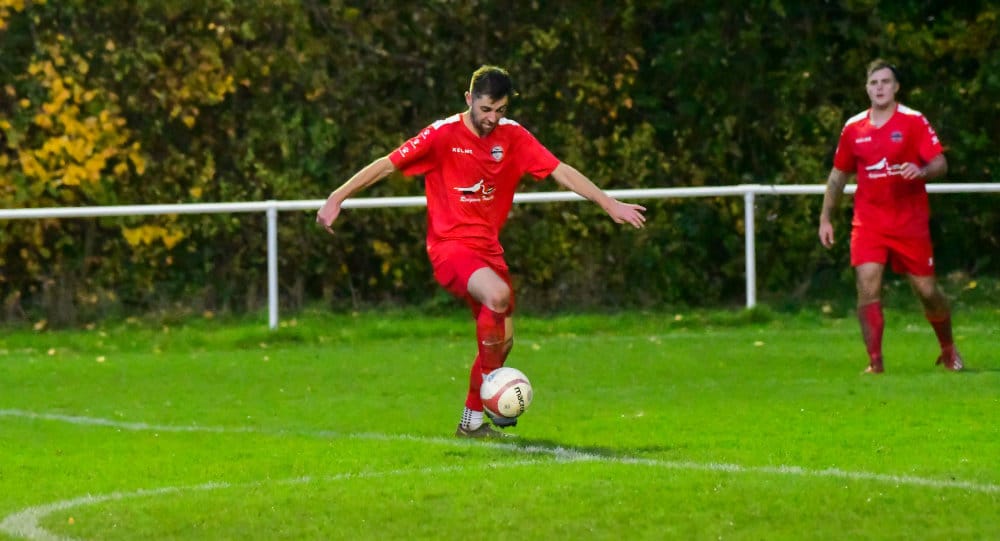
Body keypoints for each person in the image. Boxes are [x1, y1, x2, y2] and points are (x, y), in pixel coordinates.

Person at [316, 65, 646, 437]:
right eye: (486, 109)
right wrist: (337, 197)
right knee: (498, 296)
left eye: (500, 110)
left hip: (489, 251)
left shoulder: (514, 136)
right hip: (449, 247)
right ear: (469, 99)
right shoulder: (442, 134)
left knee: (502, 342)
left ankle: (471, 423)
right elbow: (386, 165)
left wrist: (608, 204)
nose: (492, 118)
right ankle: (493, 388)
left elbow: (561, 171)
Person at [818, 58, 963, 374]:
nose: (879, 88)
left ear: (896, 87)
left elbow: (940, 163)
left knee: (927, 291)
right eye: (874, 83)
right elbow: (838, 176)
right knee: (867, 285)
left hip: (909, 222)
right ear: (867, 89)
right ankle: (875, 362)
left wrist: (921, 170)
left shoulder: (913, 121)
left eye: (885, 82)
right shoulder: (854, 128)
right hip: (869, 222)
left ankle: (948, 348)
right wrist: (826, 218)